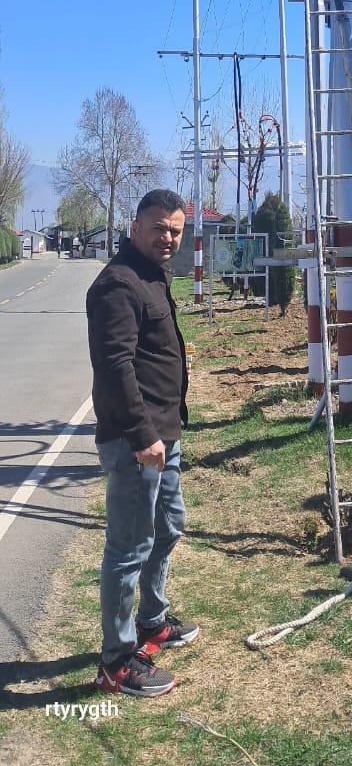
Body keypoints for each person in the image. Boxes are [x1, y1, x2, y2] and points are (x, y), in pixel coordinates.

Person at [87, 189, 198, 697]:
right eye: (159, 228)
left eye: (175, 229)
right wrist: (142, 434)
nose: (168, 238)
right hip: (138, 441)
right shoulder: (118, 284)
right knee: (128, 549)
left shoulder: (153, 276)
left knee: (168, 526)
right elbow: (114, 367)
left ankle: (152, 621)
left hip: (163, 435)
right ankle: (117, 662)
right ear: (135, 226)